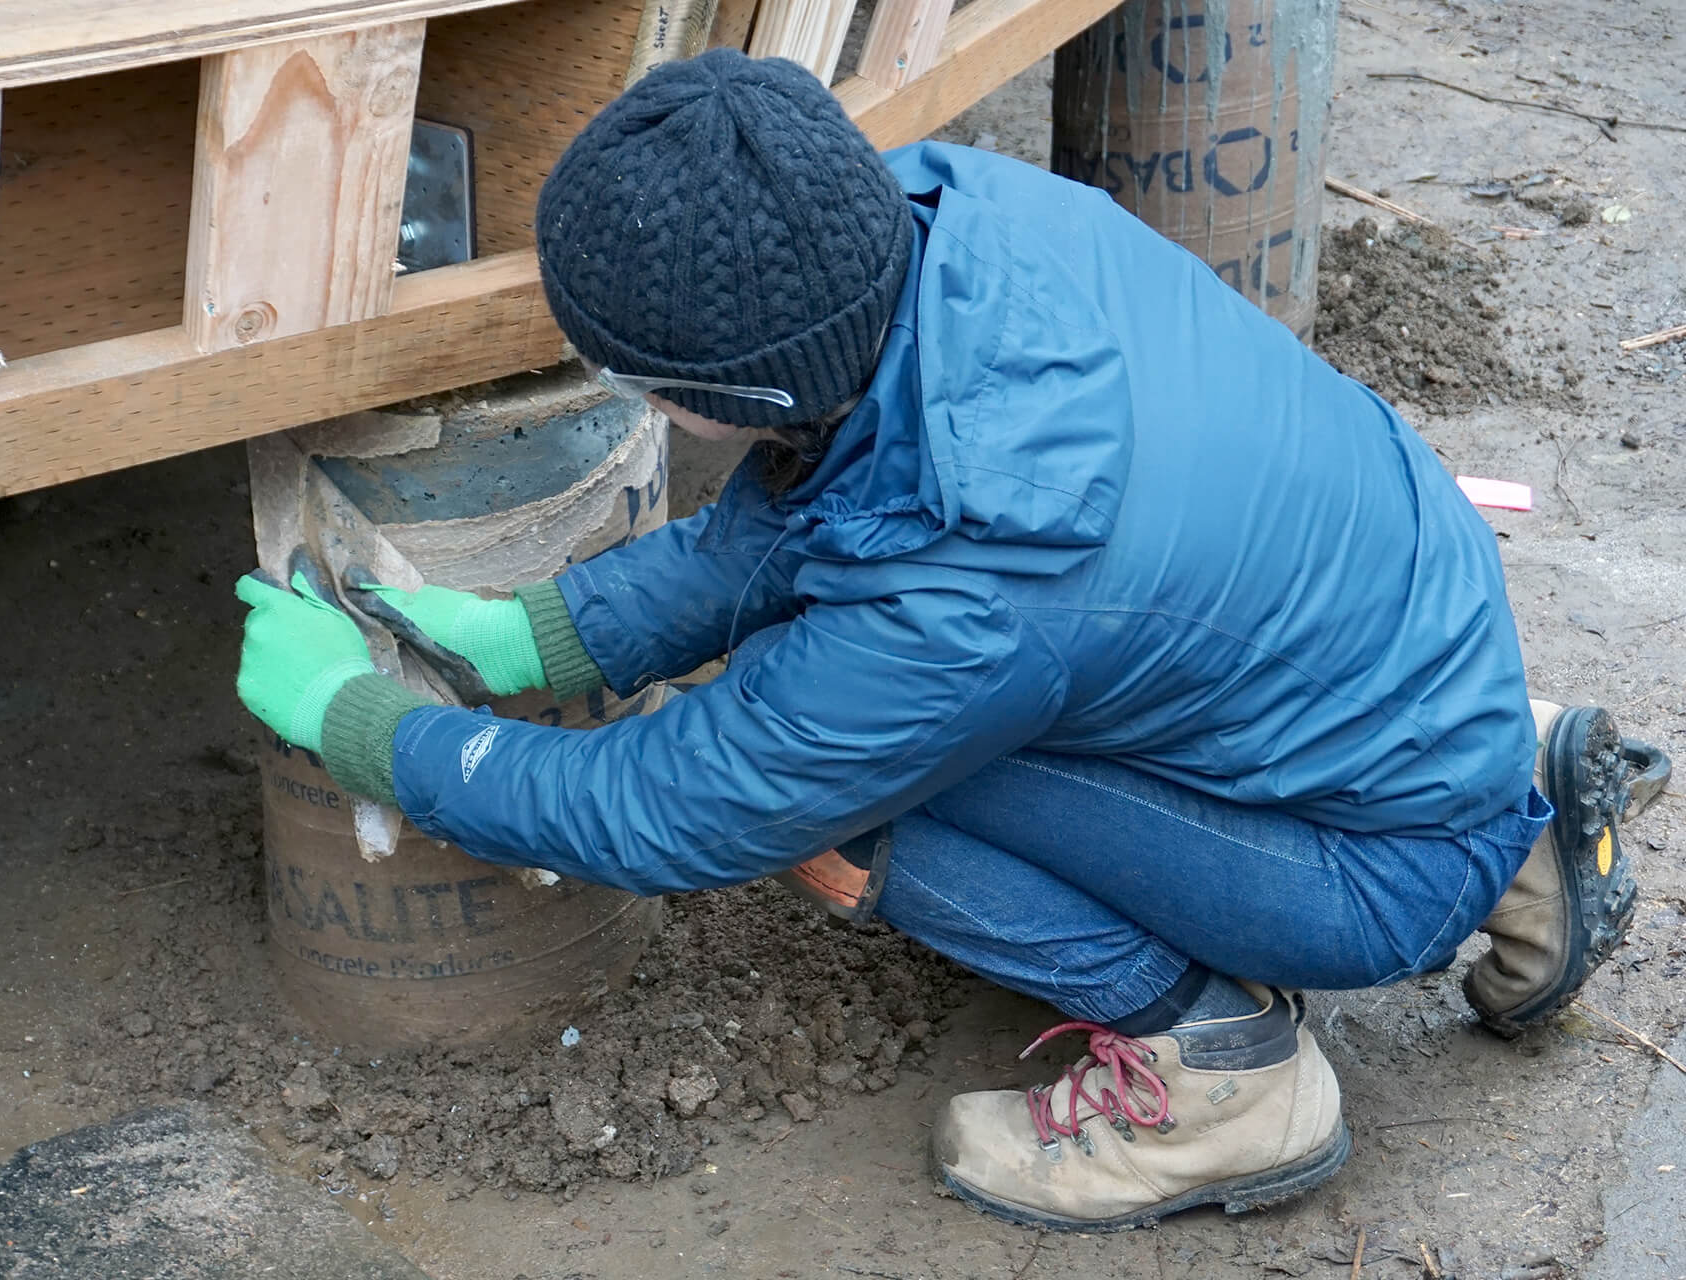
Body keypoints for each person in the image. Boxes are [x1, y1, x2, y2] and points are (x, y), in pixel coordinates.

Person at [232, 49, 1667, 1231]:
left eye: (639, 382)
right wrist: (547, 631)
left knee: (831, 805)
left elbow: (669, 808)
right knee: (827, 699)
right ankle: (1518, 810)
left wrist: (371, 726)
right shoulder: (946, 218)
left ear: (722, 392)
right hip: (1414, 662)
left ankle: (1229, 1073)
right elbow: (827, 495)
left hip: (1373, 861)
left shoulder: (971, 585)